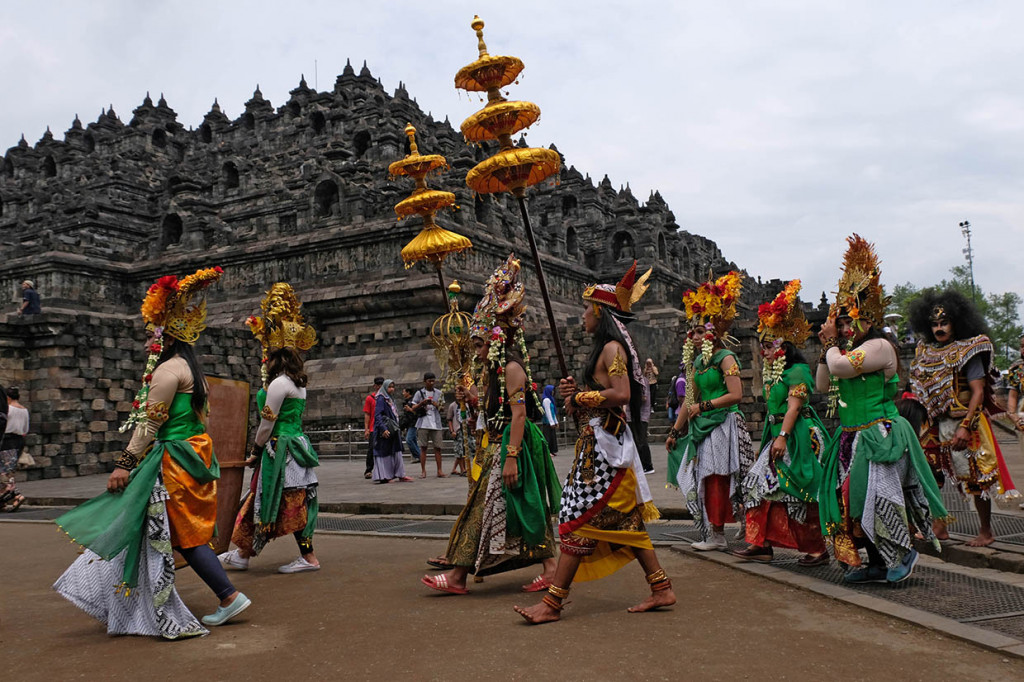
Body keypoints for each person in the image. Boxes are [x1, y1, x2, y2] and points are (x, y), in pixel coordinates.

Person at [53, 266, 251, 638]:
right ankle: (126, 598)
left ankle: (228, 595)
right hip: (191, 454)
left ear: (167, 336)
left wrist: (123, 465)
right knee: (164, 530)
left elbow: (148, 425)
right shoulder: (193, 371)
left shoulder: (166, 372)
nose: (147, 343)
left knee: (178, 533)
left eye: (151, 335)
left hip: (174, 460)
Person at [515, 262, 674, 624]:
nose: (582, 316)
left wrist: (583, 398)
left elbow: (620, 393)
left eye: (587, 309)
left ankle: (553, 602)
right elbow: (598, 399)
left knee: (576, 517)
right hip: (598, 444)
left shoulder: (613, 349)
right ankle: (661, 587)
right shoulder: (605, 350)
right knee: (625, 523)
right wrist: (574, 398)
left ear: (600, 312)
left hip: (605, 452)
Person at [422, 255, 561, 595]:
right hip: (496, 446)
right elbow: (490, 407)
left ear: (496, 341)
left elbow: (519, 415)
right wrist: (469, 396)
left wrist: (511, 456)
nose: (477, 350)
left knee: (504, 505)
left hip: (514, 447)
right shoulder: (491, 372)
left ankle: (458, 577)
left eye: (480, 344)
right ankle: (550, 567)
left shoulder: (511, 369)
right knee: (509, 506)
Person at [816, 235, 946, 584]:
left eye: (850, 322)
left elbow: (841, 369)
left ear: (867, 320)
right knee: (852, 505)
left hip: (879, 434)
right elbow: (823, 385)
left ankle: (903, 554)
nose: (845, 328)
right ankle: (874, 562)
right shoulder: (843, 351)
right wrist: (828, 350)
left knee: (880, 500)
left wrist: (831, 346)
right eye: (841, 323)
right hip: (850, 437)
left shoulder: (880, 346)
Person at [219, 283, 322, 573]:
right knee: (268, 498)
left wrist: (255, 449)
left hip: (281, 450)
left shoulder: (279, 384)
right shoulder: (298, 384)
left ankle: (308, 558)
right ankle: (242, 552)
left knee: (289, 501)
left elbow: (267, 424)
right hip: (296, 444)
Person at [908, 290, 1019, 546]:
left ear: (956, 322)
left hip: (966, 422)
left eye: (943, 323)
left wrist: (966, 427)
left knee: (975, 478)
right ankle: (939, 526)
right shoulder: (925, 352)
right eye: (934, 324)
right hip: (936, 423)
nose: (939, 328)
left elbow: (978, 391)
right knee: (931, 473)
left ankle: (985, 531)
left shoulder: (969, 349)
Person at [732, 281, 828, 565]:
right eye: (762, 346)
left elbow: (795, 407)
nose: (764, 351)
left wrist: (783, 436)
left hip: (797, 436)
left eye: (768, 346)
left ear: (784, 345)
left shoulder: (797, 370)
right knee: (757, 487)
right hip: (777, 435)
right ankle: (759, 542)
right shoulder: (773, 371)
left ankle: (817, 549)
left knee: (798, 493)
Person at [666, 271, 753, 551]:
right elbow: (687, 401)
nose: (693, 335)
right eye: (691, 331)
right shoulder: (697, 365)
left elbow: (736, 395)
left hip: (725, 424)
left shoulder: (725, 358)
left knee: (719, 477)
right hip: (704, 427)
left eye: (700, 331)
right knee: (706, 477)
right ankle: (713, 532)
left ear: (714, 333)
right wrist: (674, 431)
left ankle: (722, 532)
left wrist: (703, 407)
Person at [372, 379, 413, 483]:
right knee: (385, 453)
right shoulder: (381, 399)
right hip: (386, 429)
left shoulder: (389, 399)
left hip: (393, 428)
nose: (392, 389)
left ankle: (400, 474)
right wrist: (383, 429)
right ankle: (385, 476)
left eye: (393, 387)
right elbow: (377, 415)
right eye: (389, 387)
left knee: (397, 451)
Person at [1, 386, 28, 511]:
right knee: (9, 470)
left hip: (7, 441)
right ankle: (5, 499)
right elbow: (25, 429)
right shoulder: (24, 410)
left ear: (7, 397)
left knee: (5, 472)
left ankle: (16, 495)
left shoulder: (8, 409)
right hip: (19, 441)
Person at [413, 372, 446, 478]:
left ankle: (439, 470)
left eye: (433, 381)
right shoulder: (419, 393)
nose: (431, 383)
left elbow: (442, 408)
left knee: (438, 448)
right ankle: (423, 471)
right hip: (423, 423)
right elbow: (413, 407)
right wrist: (422, 403)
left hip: (436, 423)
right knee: (423, 447)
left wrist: (436, 404)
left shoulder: (439, 393)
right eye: (429, 381)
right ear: (425, 381)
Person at [1006, 335, 1024, 508]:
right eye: (1022, 346)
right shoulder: (1017, 369)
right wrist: (1013, 415)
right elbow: (1013, 395)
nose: (1023, 350)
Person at [446, 385, 472, 476]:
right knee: (459, 451)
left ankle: (460, 468)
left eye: (461, 392)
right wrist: (452, 430)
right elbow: (449, 419)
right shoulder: (452, 406)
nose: (459, 394)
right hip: (458, 430)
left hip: (467, 429)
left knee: (467, 449)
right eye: (457, 392)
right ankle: (463, 469)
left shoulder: (468, 404)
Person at [363, 376, 383, 479]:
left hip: (384, 427)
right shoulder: (370, 398)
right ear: (374, 386)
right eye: (378, 385)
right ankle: (369, 469)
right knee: (371, 449)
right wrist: (366, 429)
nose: (379, 387)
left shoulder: (386, 397)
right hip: (373, 428)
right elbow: (367, 414)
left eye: (381, 385)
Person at [400, 387, 422, 463]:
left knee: (409, 439)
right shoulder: (405, 402)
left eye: (404, 391)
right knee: (413, 440)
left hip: (414, 423)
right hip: (409, 423)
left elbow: (416, 413)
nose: (403, 393)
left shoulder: (413, 401)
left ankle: (419, 456)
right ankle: (419, 456)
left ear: (408, 392)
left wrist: (410, 410)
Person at [540, 384, 559, 456]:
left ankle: (552, 450)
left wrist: (556, 421)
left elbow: (553, 412)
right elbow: (548, 412)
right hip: (547, 422)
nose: (553, 392)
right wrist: (551, 422)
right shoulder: (546, 400)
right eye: (552, 390)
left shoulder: (551, 399)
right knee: (547, 437)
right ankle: (547, 451)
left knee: (552, 437)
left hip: (551, 421)